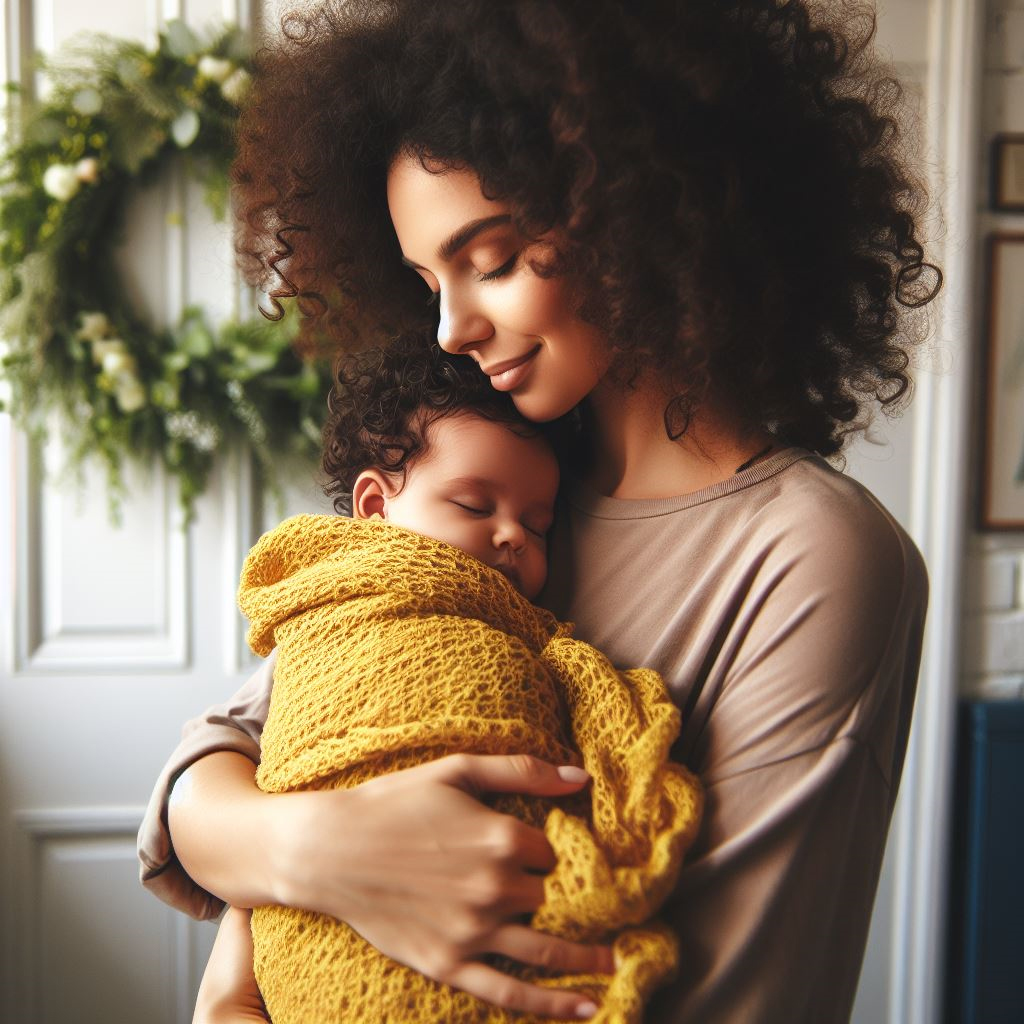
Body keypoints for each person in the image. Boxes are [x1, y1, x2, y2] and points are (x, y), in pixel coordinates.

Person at [138, 1, 941, 1020]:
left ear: (645, 212)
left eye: (495, 258)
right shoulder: (499, 484)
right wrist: (321, 853)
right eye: (427, 278)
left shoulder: (809, 557)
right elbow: (211, 767)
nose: (450, 326)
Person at [207, 337, 701, 1023]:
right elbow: (226, 762)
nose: (514, 539)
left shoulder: (528, 629)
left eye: (538, 523)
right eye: (475, 506)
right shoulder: (328, 614)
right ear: (376, 507)